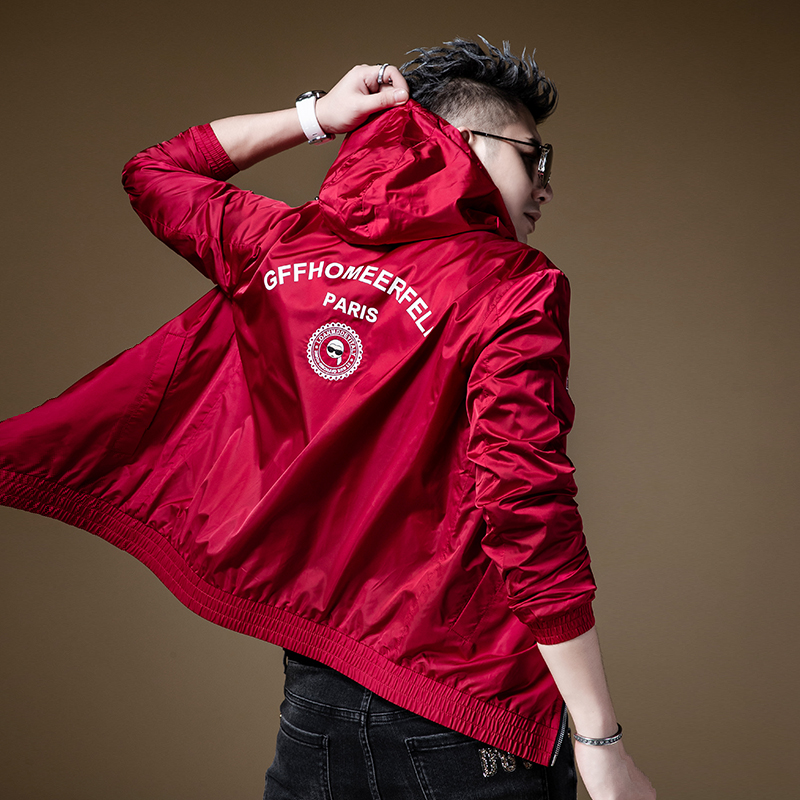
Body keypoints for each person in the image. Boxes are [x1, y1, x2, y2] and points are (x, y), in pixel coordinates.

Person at [0, 39, 655, 799]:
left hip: (320, 696)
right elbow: (526, 506)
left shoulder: (283, 243)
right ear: (464, 143)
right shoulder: (513, 287)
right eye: (532, 157)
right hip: (468, 708)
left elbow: (157, 172)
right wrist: (599, 739)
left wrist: (314, 118)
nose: (545, 185)